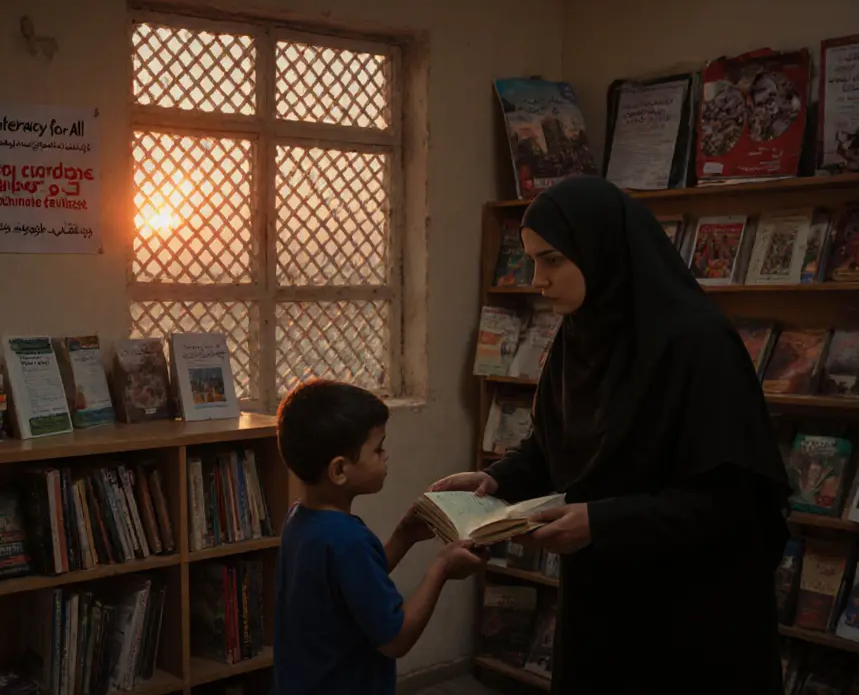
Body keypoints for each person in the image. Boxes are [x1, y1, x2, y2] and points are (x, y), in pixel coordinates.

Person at [431, 176, 793, 693]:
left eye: (553, 260)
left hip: (692, 608)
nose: (538, 279)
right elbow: (553, 445)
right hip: (603, 594)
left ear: (600, 250)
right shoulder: (577, 336)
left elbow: (736, 500)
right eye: (533, 260)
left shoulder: (698, 345)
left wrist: (602, 521)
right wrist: (497, 482)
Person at [273, 379, 486, 695]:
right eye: (378, 449)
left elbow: (353, 587)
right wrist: (441, 568)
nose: (386, 456)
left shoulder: (301, 520)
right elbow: (395, 639)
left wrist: (403, 536)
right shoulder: (349, 541)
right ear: (339, 470)